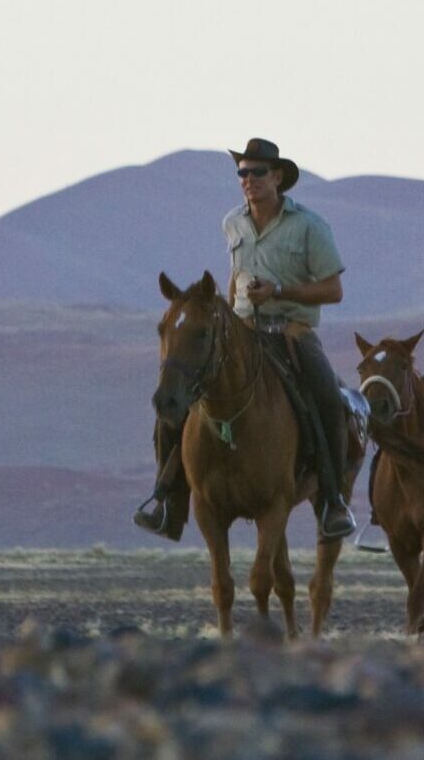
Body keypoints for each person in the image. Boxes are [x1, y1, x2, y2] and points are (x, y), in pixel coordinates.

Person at [136, 138, 359, 542]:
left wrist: (278, 292)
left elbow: (333, 290)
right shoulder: (232, 223)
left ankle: (331, 501)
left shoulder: (309, 226)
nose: (248, 180)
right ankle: (167, 499)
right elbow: (235, 276)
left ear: (277, 177)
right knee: (175, 398)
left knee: (326, 396)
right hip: (241, 333)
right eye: (242, 173)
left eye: (257, 172)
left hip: (292, 333)